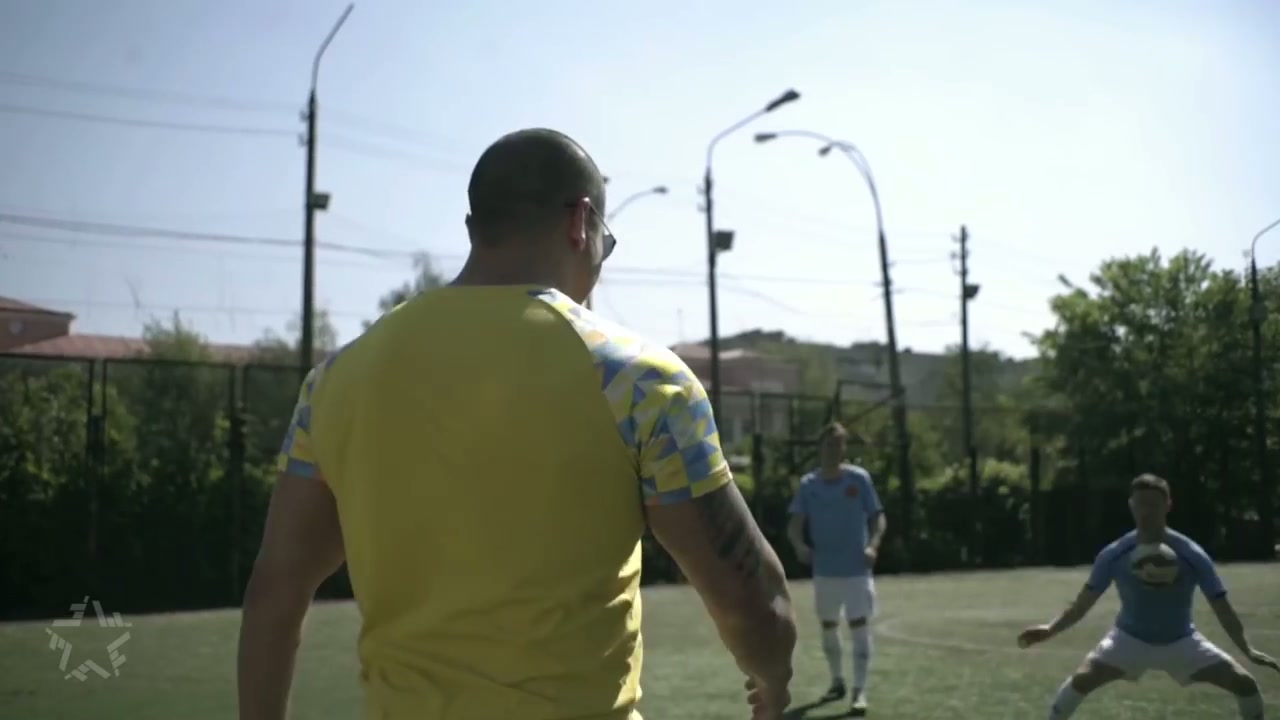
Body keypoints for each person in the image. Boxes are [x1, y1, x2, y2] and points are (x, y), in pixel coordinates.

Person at [236, 128, 797, 720]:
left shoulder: (334, 382)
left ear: (475, 229)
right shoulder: (639, 380)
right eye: (605, 243)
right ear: (581, 222)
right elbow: (749, 597)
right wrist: (773, 673)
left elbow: (276, 590)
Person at [1017, 473, 1279, 719]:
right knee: (1082, 679)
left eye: (1153, 504)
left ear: (1168, 505)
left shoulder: (1191, 554)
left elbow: (1221, 606)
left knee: (1244, 683)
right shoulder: (1114, 554)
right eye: (1140, 504)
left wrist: (1247, 649)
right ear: (1131, 506)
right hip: (1128, 639)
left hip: (1181, 640)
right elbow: (1082, 604)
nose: (1146, 511)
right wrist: (1050, 629)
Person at [786, 421, 887, 716]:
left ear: (844, 448)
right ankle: (837, 681)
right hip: (825, 571)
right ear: (820, 447)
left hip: (856, 570)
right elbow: (794, 525)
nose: (833, 450)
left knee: (859, 626)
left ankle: (859, 691)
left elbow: (878, 517)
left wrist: (874, 545)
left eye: (838, 444)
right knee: (828, 626)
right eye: (828, 444)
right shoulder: (809, 485)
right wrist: (799, 546)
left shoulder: (859, 479)